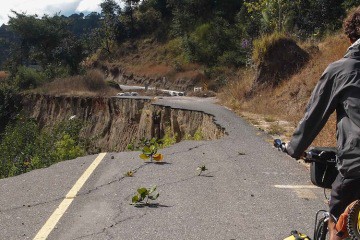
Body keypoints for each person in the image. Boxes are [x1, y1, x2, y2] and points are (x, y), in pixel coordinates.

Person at [284, 7, 360, 240]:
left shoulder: (340, 70)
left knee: (338, 220)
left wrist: (294, 148)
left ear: (350, 38)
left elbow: (314, 115)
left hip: (356, 165)